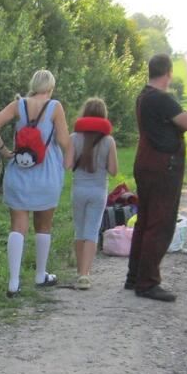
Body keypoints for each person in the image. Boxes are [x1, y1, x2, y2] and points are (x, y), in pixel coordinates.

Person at [0, 69, 74, 298]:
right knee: (43, 225)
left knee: (17, 226)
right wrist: (69, 158)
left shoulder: (18, 104)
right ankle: (40, 274)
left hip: (19, 174)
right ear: (51, 87)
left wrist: (4, 151)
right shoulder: (55, 107)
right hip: (46, 175)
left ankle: (13, 282)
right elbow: (64, 141)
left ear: (33, 85)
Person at [125, 54, 187, 301]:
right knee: (160, 223)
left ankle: (134, 276)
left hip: (145, 162)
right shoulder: (162, 99)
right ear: (168, 73)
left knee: (145, 221)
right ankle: (147, 282)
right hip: (162, 166)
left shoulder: (143, 96)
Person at [70, 98, 119, 289]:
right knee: (91, 231)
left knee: (79, 230)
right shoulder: (108, 141)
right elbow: (113, 170)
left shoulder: (74, 138)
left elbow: (68, 164)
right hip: (98, 190)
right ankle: (85, 274)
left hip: (78, 189)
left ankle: (79, 271)